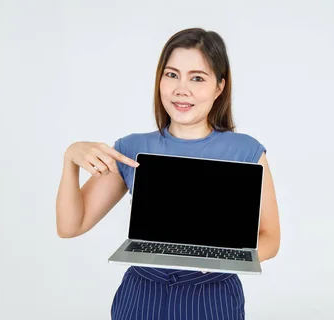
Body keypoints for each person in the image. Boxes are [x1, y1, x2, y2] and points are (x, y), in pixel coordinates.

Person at [56, 27, 281, 319]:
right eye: (171, 74)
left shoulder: (246, 151)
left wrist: (219, 260)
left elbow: (270, 239)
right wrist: (70, 160)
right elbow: (71, 226)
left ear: (219, 87)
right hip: (141, 295)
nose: (181, 89)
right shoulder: (132, 147)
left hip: (212, 296)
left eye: (197, 78)